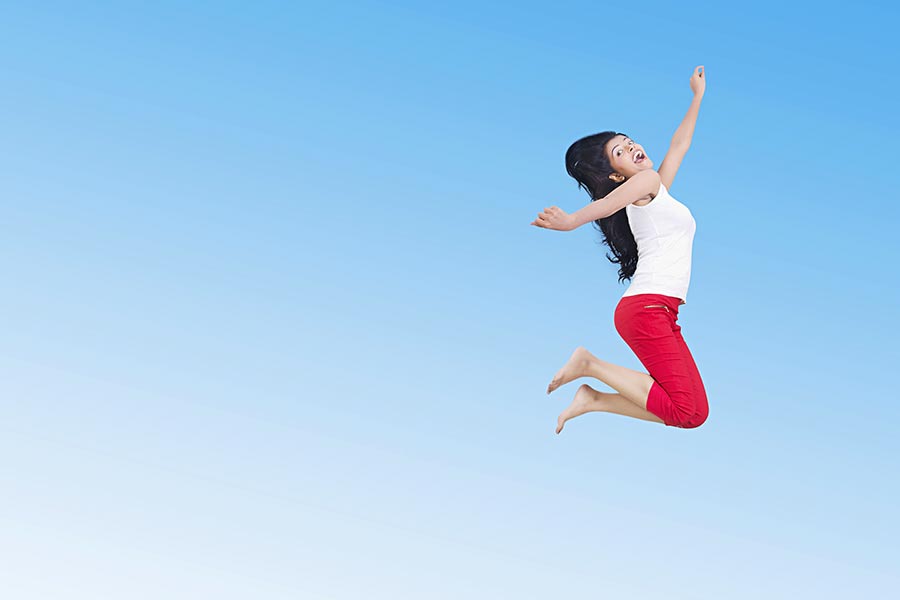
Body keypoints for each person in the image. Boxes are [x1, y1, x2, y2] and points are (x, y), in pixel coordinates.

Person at [530, 66, 709, 434]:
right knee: (689, 411)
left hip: (657, 309)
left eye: (629, 142)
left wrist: (697, 97)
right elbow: (607, 206)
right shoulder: (644, 184)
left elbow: (679, 146)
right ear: (616, 176)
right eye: (620, 152)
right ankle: (590, 365)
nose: (632, 148)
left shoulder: (653, 191)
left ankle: (594, 399)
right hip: (648, 309)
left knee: (690, 411)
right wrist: (571, 221)